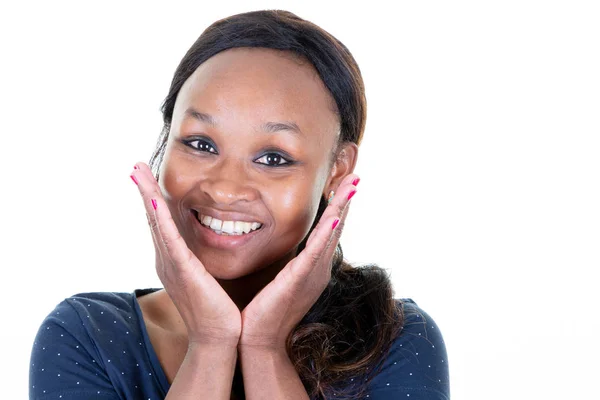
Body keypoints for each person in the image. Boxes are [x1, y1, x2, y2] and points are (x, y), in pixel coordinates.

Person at [29, 9, 450, 400]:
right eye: (200, 143)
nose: (226, 190)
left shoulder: (395, 339)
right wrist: (211, 345)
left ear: (337, 172)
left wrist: (264, 349)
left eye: (273, 158)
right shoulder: (85, 336)